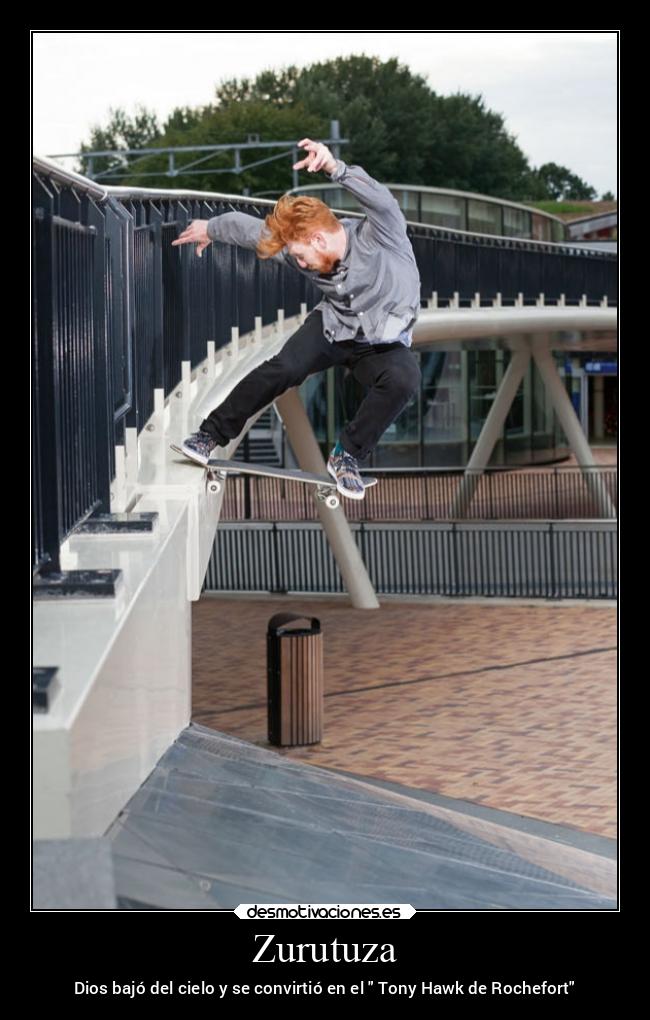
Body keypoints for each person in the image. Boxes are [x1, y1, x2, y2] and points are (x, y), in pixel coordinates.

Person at [171, 137, 422, 499]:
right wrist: (210, 229)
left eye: (303, 258)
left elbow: (381, 200)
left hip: (382, 343)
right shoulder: (294, 249)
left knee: (404, 378)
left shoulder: (382, 235)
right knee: (283, 368)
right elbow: (250, 230)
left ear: (319, 240)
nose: (299, 265)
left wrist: (336, 168)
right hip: (334, 326)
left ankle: (347, 456)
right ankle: (210, 435)